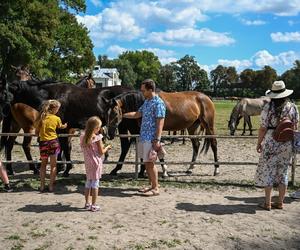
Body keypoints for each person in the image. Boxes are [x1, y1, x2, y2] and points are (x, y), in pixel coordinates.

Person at [255, 80, 299, 210]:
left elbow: (263, 128)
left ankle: (267, 203)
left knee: (268, 171)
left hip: (270, 142)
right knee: (283, 173)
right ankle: (280, 202)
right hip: (286, 143)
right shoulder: (293, 107)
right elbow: (295, 127)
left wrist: (259, 143)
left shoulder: (267, 108)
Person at [123, 79, 166, 196]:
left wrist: (157, 139)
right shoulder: (147, 102)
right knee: (147, 163)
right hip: (144, 137)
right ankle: (152, 185)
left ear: (150, 89)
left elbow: (160, 123)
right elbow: (137, 114)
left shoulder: (158, 103)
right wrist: (122, 115)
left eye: (143, 90)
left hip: (151, 139)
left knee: (150, 164)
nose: (142, 93)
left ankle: (156, 188)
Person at [80, 116, 111, 212]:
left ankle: (87, 203)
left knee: (88, 182)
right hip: (96, 162)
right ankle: (94, 204)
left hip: (88, 162)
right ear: (96, 128)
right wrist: (107, 147)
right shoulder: (97, 138)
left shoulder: (82, 136)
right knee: (95, 184)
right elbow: (101, 152)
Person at [35, 100, 67, 192]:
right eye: (58, 109)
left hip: (43, 143)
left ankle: (41, 186)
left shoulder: (41, 117)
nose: (58, 111)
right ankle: (51, 186)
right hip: (53, 142)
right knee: (53, 166)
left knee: (43, 165)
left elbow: (36, 131)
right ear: (55, 109)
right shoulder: (56, 118)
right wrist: (64, 126)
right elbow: (60, 126)